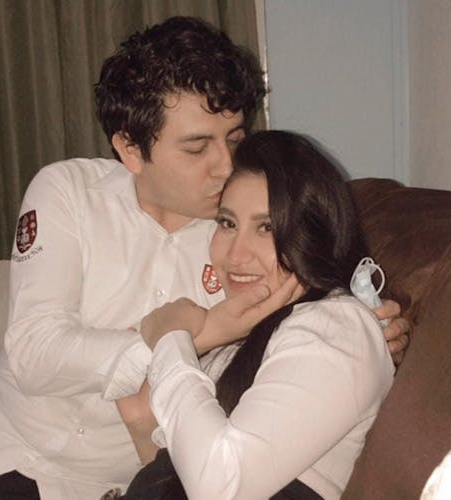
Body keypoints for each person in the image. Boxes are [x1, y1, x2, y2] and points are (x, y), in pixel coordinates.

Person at [0, 16, 407, 500]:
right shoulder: (69, 192)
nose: (226, 166)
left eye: (234, 139)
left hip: (111, 483)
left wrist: (376, 321)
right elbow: (34, 352)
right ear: (130, 149)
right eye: (197, 148)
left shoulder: (241, 239)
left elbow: (317, 310)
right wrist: (197, 333)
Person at [115, 130, 396, 500]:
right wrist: (142, 423)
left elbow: (221, 486)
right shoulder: (244, 334)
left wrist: (171, 338)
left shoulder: (335, 325)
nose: (235, 255)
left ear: (313, 236)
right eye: (228, 223)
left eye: (266, 227)